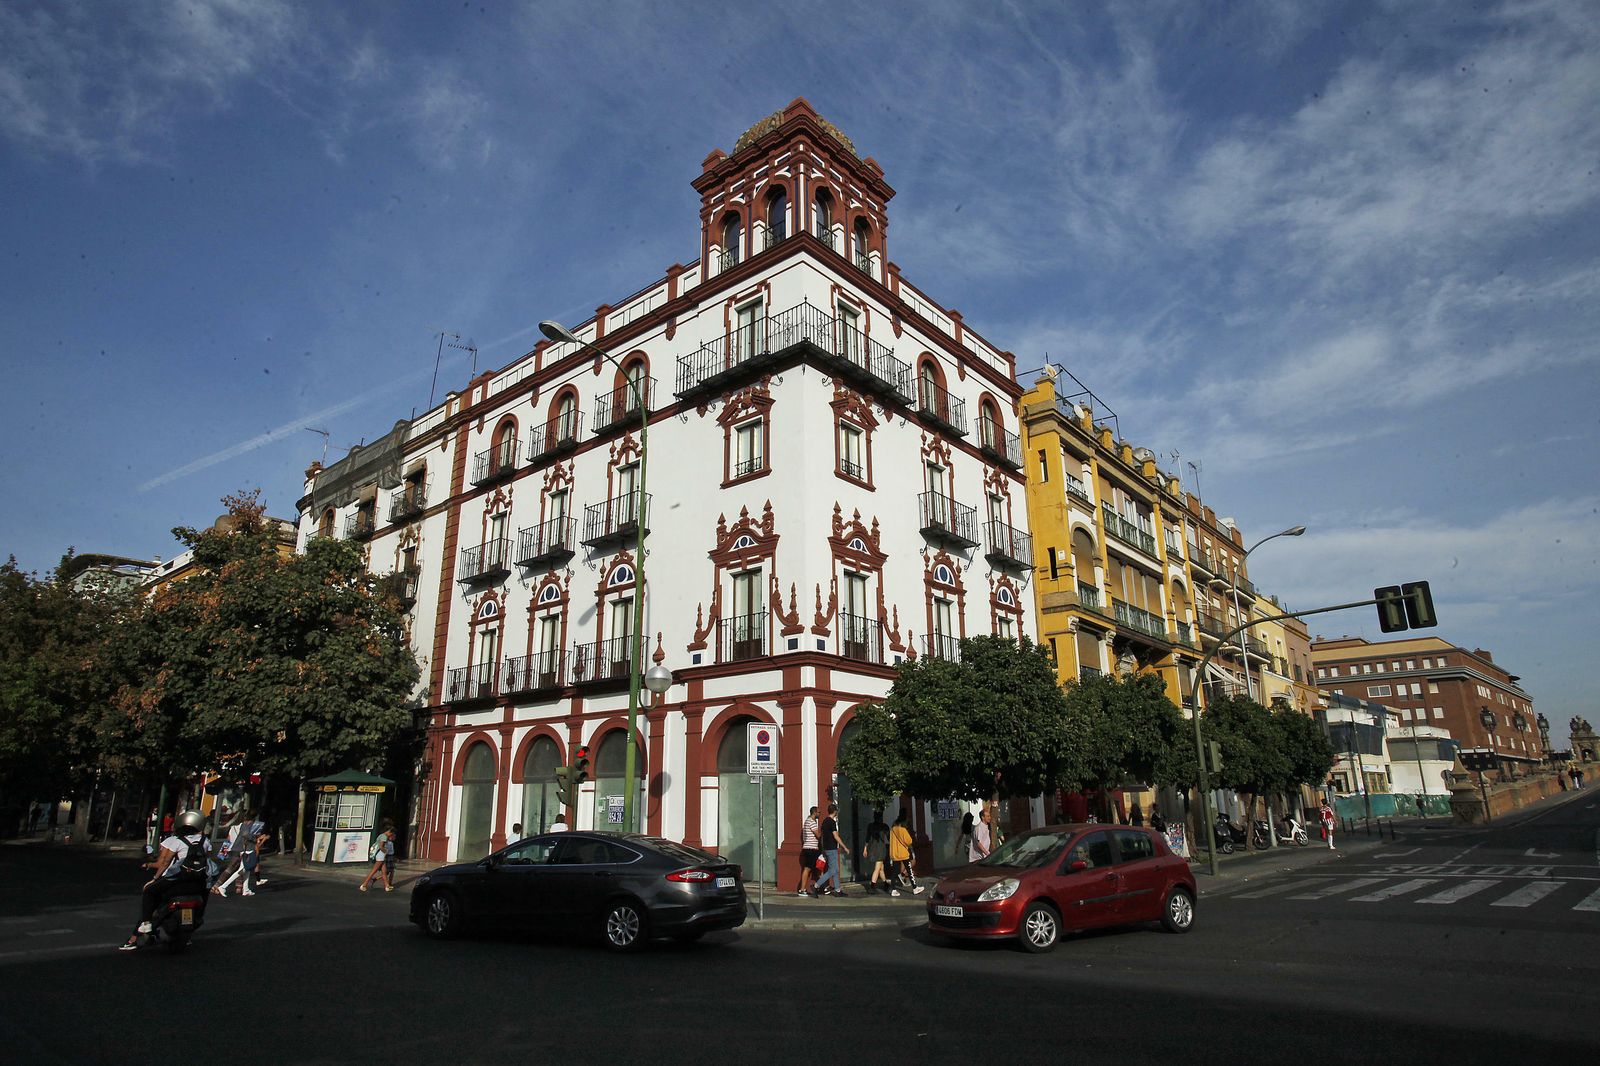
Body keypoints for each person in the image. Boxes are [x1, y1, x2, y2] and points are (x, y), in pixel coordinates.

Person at [122, 810, 209, 950]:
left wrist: (154, 879)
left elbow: (164, 863)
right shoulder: (205, 841)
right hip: (197, 882)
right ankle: (189, 931)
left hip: (177, 880)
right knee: (203, 899)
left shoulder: (175, 841)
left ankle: (144, 926)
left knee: (150, 893)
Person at [810, 803, 846, 897]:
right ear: (835, 812)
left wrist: (822, 849)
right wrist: (844, 846)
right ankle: (816, 886)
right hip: (831, 848)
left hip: (826, 848)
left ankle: (838, 890)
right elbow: (836, 836)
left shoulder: (824, 821)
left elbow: (822, 836)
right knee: (832, 871)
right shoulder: (832, 822)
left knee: (835, 869)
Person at [888, 810, 923, 896]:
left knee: (894, 872)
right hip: (903, 854)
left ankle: (893, 890)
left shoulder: (892, 829)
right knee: (909, 870)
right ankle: (915, 888)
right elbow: (909, 841)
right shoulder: (903, 830)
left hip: (894, 853)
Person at [360, 818, 396, 892]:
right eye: (391, 833)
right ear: (389, 832)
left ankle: (387, 886)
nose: (391, 835)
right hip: (380, 855)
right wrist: (385, 851)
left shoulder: (382, 835)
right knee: (374, 871)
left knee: (384, 871)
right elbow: (381, 846)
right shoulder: (384, 836)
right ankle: (364, 884)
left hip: (381, 856)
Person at [862, 811, 890, 894]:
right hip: (881, 849)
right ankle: (872, 886)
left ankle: (885, 884)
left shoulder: (870, 826)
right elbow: (889, 838)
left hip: (873, 849)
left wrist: (865, 848)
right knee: (877, 868)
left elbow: (867, 838)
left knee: (881, 868)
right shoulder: (884, 826)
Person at [796, 806, 821, 897]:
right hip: (811, 849)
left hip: (807, 848)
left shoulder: (807, 821)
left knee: (812, 868)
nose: (819, 814)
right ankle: (802, 889)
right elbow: (818, 835)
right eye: (819, 812)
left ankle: (816, 886)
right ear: (814, 813)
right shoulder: (812, 822)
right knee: (808, 868)